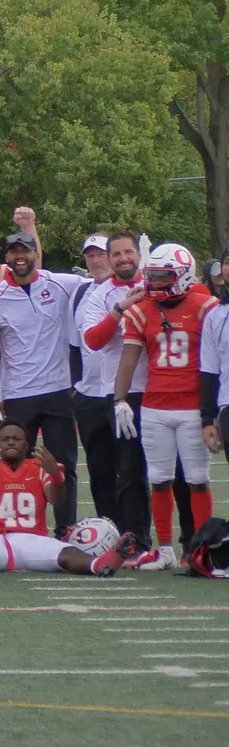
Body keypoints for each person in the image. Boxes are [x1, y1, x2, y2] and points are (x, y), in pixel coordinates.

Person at [111, 243, 217, 569]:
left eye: (162, 276)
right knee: (159, 478)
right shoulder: (141, 309)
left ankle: (204, 548)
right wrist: (120, 400)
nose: (155, 282)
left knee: (197, 478)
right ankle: (166, 549)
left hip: (191, 406)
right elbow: (128, 359)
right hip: (156, 406)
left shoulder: (205, 306)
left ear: (183, 275)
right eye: (152, 275)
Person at [0, 231, 88, 534]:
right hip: (17, 392)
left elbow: (100, 283)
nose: (20, 256)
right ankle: (21, 526)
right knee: (17, 462)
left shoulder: (62, 284)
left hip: (57, 388)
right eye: (13, 252)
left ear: (36, 253)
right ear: (6, 258)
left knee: (63, 463)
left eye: (25, 250)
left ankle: (66, 528)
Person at [0, 421, 127, 577]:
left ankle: (100, 565)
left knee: (67, 552)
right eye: (5, 439)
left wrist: (55, 475)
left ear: (27, 445)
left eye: (17, 439)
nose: (11, 442)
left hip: (34, 539)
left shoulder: (39, 467)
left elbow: (57, 500)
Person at [77, 233, 150, 544]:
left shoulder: (156, 283)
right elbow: (93, 340)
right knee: (124, 467)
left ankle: (161, 539)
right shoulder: (101, 294)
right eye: (116, 254)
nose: (123, 258)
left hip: (157, 387)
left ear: (138, 254)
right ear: (109, 258)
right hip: (119, 391)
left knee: (160, 470)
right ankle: (128, 538)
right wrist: (120, 308)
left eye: (128, 252)